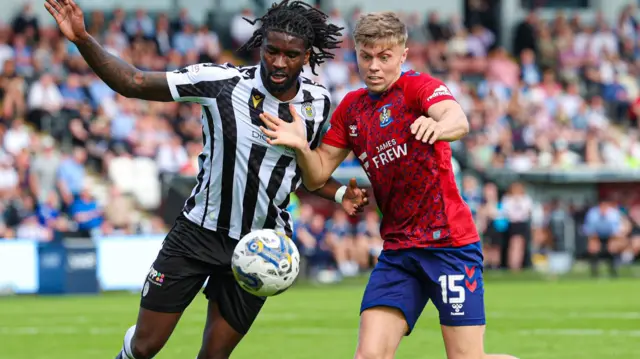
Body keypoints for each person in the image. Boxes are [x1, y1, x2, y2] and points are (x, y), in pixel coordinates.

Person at [45, 1, 369, 358]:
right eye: (271, 50)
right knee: (145, 345)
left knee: (214, 356)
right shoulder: (220, 83)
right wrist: (82, 38)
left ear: (307, 55)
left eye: (290, 55)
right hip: (198, 233)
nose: (279, 62)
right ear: (260, 44)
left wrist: (339, 193)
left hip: (260, 245)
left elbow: (308, 173)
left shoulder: (318, 103)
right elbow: (133, 82)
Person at [260, 11, 518, 359]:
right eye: (366, 56)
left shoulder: (417, 88)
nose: (374, 66)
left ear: (402, 55)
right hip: (398, 252)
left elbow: (457, 118)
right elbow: (317, 174)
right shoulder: (352, 109)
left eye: (384, 57)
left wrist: (440, 128)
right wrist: (301, 147)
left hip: (450, 246)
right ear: (356, 54)